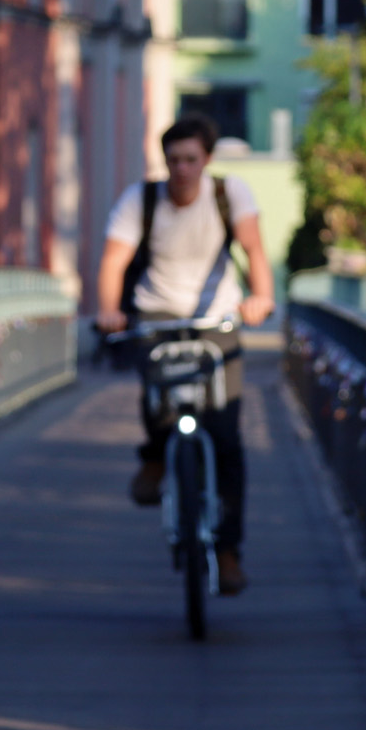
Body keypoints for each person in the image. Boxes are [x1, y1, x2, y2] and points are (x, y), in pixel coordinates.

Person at [92, 115, 275, 595]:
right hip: (158, 318)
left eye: (191, 159)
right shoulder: (142, 199)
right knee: (157, 403)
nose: (183, 169)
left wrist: (261, 297)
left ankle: (229, 551)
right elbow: (114, 259)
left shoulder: (229, 193)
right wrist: (109, 310)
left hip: (216, 322)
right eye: (174, 160)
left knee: (227, 437)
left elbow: (254, 249)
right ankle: (155, 457)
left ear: (207, 160)